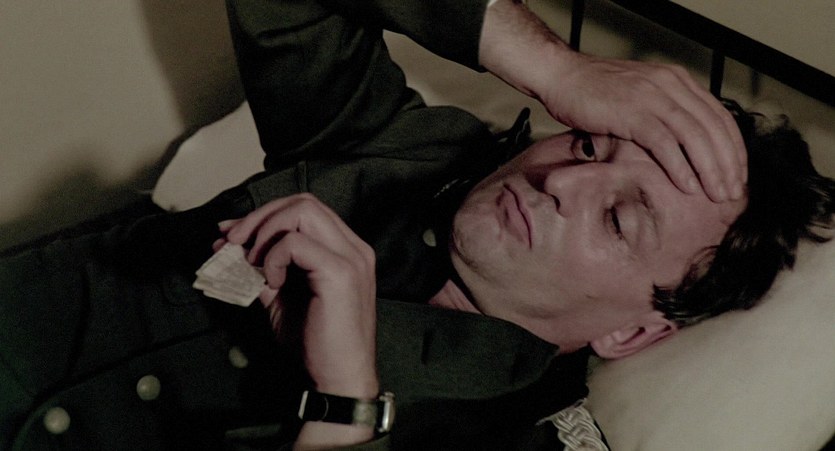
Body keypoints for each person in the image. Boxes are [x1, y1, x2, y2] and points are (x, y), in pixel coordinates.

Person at [2, 1, 833, 450]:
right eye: (586, 141)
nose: (560, 180)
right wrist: (550, 63)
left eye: (618, 217)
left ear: (633, 332)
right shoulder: (407, 149)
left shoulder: (519, 441)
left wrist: (344, 402)